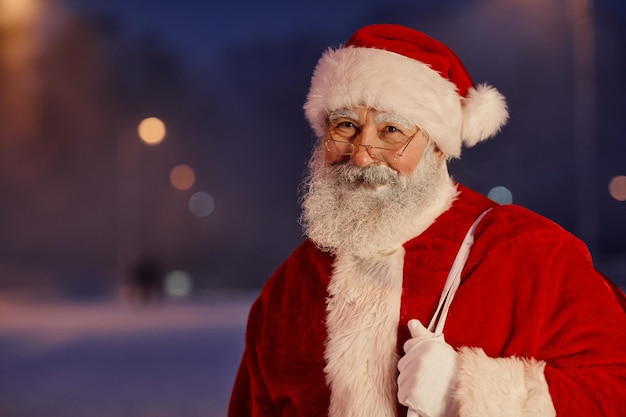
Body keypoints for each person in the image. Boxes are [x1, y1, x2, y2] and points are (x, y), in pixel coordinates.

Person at [228, 23, 626, 417]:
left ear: (437, 149)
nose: (362, 156)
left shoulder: (533, 254)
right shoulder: (288, 290)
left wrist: (468, 391)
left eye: (391, 130)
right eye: (346, 125)